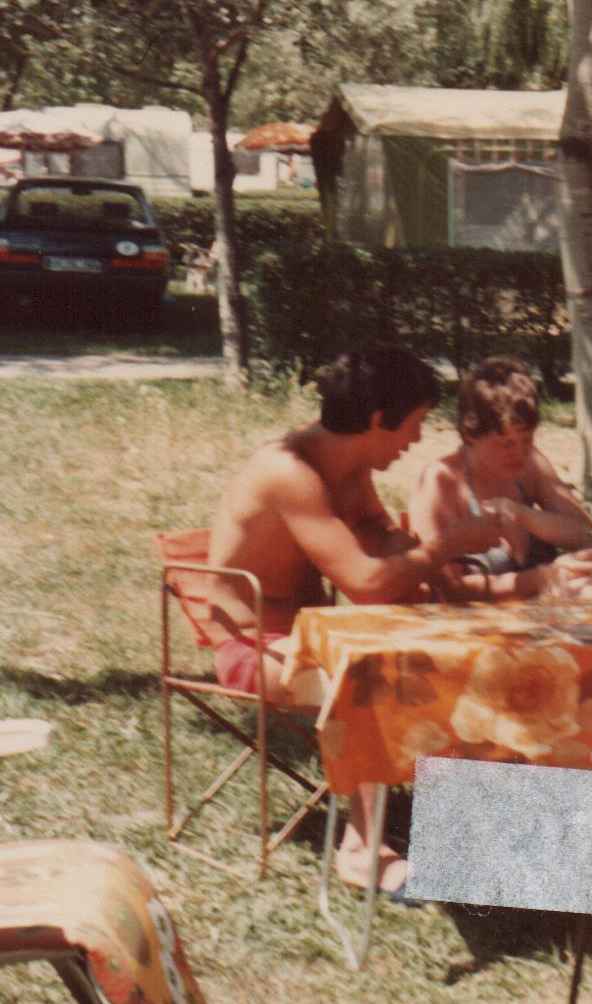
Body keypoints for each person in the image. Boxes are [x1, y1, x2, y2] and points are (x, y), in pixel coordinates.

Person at [207, 345, 501, 896]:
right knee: (378, 675)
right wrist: (445, 545)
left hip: (318, 633)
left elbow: (375, 533)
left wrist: (422, 565)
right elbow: (364, 583)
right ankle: (361, 850)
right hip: (256, 647)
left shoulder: (349, 463)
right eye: (414, 424)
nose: (417, 439)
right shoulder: (289, 472)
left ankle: (492, 835)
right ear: (377, 420)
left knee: (462, 649)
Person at [409, 356, 592, 600]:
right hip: (474, 616)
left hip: (536, 608)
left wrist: (522, 514)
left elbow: (590, 537)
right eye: (506, 444)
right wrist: (544, 576)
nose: (520, 453)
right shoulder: (440, 481)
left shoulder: (531, 464)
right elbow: (447, 590)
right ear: (471, 434)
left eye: (527, 439)